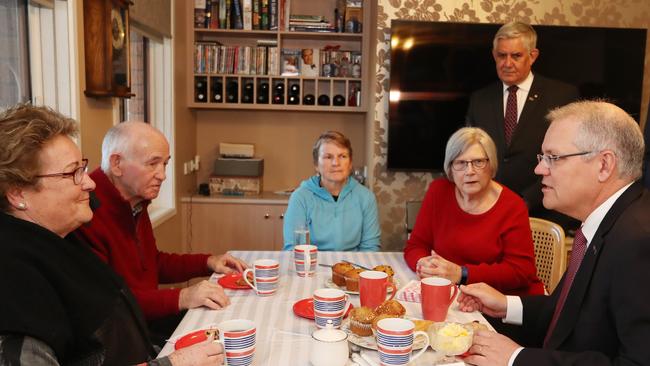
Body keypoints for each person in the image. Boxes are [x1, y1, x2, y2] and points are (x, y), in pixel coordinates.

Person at [0, 104, 223, 365]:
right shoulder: (16, 285)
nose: (90, 182)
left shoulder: (58, 243)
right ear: (18, 194)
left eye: (82, 168)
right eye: (73, 173)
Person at [458, 100, 650, 365]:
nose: (539, 169)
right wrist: (506, 305)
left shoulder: (638, 240)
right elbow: (567, 311)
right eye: (542, 158)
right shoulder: (606, 222)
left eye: (553, 157)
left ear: (604, 165)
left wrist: (517, 358)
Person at [74, 121, 247, 345]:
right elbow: (109, 305)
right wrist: (182, 297)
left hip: (143, 322)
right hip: (122, 339)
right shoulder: (85, 213)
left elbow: (152, 264)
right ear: (116, 164)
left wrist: (208, 262)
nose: (163, 175)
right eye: (153, 164)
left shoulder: (134, 201)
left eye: (165, 164)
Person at [466, 21, 579, 231]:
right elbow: (470, 154)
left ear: (533, 56)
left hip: (543, 213)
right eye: (501, 55)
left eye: (516, 56)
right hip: (489, 212)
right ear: (494, 55)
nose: (507, 63)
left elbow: (567, 157)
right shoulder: (480, 99)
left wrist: (525, 200)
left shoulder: (562, 95)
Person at [404, 127, 544, 296]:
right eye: (461, 163)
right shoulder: (438, 192)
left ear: (491, 164)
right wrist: (423, 264)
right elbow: (416, 245)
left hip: (503, 301)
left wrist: (461, 274)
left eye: (478, 162)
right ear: (450, 168)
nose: (469, 171)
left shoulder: (513, 205)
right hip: (456, 295)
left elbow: (521, 272)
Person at [283, 131, 380, 251]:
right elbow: (294, 248)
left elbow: (370, 248)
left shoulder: (366, 197)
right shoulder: (300, 197)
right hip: (312, 266)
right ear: (316, 165)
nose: (336, 163)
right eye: (328, 157)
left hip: (353, 267)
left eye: (342, 156)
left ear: (350, 164)